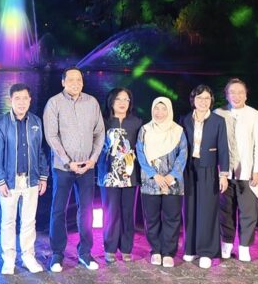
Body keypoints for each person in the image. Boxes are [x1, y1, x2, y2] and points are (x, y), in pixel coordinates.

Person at [43, 67, 105, 272]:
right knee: (58, 210)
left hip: (87, 167)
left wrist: (93, 159)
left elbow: (100, 133)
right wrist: (68, 161)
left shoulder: (92, 102)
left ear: (82, 82)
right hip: (63, 167)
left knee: (86, 210)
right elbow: (51, 136)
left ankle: (85, 252)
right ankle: (57, 254)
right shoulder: (54, 103)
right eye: (70, 80)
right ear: (63, 82)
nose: (75, 83)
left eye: (78, 79)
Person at [0, 83, 49, 275]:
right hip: (9, 181)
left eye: (25, 98)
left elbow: (41, 151)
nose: (21, 102)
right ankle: (8, 259)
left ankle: (28, 256)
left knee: (29, 221)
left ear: (30, 100)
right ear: (11, 100)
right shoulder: (1, 124)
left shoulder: (36, 122)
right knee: (8, 221)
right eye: (17, 98)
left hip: (31, 180)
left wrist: (43, 176)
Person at [214, 78, 258, 262]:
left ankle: (244, 246)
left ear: (246, 95)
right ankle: (227, 244)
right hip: (224, 172)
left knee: (248, 212)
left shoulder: (254, 115)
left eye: (240, 92)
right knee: (225, 210)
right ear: (226, 95)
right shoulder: (218, 114)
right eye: (232, 92)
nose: (236, 96)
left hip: (248, 171)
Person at [181, 85, 229, 269]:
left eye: (207, 98)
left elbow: (223, 149)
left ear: (211, 101)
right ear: (193, 100)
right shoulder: (185, 119)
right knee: (190, 208)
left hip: (209, 168)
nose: (203, 101)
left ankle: (206, 252)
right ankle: (191, 248)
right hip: (189, 168)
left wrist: (223, 174)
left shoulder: (218, 121)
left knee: (207, 210)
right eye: (199, 98)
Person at [136, 97, 187, 268]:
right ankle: (156, 250)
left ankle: (168, 252)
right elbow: (140, 154)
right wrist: (154, 175)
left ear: (169, 110)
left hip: (173, 183)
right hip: (151, 182)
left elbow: (183, 154)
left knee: (172, 218)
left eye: (163, 109)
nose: (159, 113)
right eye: (156, 109)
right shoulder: (145, 130)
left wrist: (173, 175)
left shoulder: (178, 130)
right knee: (151, 218)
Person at [97, 87, 142, 263]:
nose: (122, 103)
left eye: (126, 99)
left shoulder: (136, 122)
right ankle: (109, 248)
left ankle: (126, 248)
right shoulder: (103, 122)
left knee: (128, 212)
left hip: (130, 173)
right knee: (111, 212)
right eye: (119, 99)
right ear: (111, 101)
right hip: (108, 174)